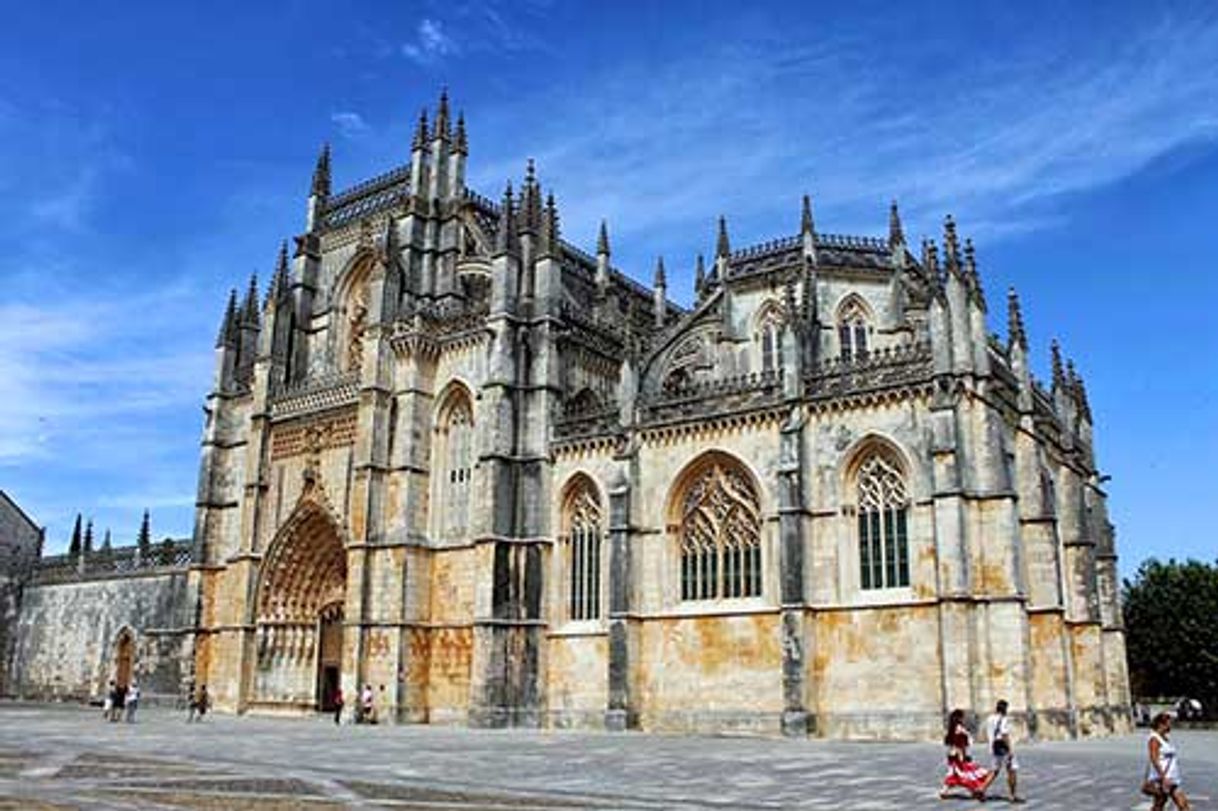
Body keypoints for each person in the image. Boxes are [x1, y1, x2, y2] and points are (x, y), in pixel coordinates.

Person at [939, 708, 992, 801]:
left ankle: (944, 791)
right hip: (958, 754)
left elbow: (953, 743)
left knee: (956, 773)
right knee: (965, 773)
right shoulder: (959, 729)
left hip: (952, 755)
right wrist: (962, 755)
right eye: (962, 717)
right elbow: (959, 744)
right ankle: (974, 791)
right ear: (959, 718)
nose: (963, 718)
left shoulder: (952, 728)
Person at [1144, 712, 1192, 810]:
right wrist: (1163, 777)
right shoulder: (1154, 739)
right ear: (1161, 724)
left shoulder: (1164, 738)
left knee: (1161, 804)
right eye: (1169, 723)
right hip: (1163, 778)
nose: (1171, 726)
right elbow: (1154, 759)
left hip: (1172, 778)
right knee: (1182, 805)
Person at [986, 699, 1024, 803]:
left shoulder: (989, 718)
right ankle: (1012, 796)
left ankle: (981, 789)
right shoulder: (1003, 719)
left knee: (994, 770)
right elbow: (1004, 734)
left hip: (993, 747)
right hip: (1003, 748)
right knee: (1012, 770)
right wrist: (1010, 749)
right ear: (1005, 709)